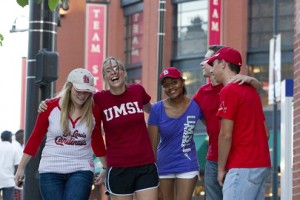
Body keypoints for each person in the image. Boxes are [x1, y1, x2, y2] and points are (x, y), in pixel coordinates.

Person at [39, 57, 159, 200]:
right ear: (104, 77)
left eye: (117, 68)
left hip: (145, 163)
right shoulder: (99, 99)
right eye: (108, 70)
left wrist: (168, 110)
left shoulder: (138, 91)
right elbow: (74, 99)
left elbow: (153, 111)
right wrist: (48, 103)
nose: (114, 72)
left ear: (124, 73)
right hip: (118, 166)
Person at [15, 68, 107, 200]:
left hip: (81, 168)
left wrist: (106, 168)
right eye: (78, 90)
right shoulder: (49, 107)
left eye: (86, 92)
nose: (82, 95)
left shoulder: (94, 110)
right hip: (50, 169)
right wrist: (21, 168)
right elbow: (36, 138)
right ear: (69, 87)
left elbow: (97, 140)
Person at [193, 45, 263, 200]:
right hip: (222, 160)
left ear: (222, 64)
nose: (207, 65)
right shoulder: (202, 93)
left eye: (210, 61)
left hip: (239, 161)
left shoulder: (234, 88)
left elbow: (225, 134)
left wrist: (254, 81)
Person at [147, 67, 204, 200]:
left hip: (187, 163)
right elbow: (152, 146)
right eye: (166, 85)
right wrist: (152, 172)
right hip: (163, 164)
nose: (170, 87)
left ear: (182, 82)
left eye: (174, 82)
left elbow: (214, 127)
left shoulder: (195, 106)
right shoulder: (156, 109)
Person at [0, 130, 21, 200]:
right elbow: (17, 166)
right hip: (9, 181)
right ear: (10, 138)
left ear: (1, 138)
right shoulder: (14, 149)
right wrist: (18, 180)